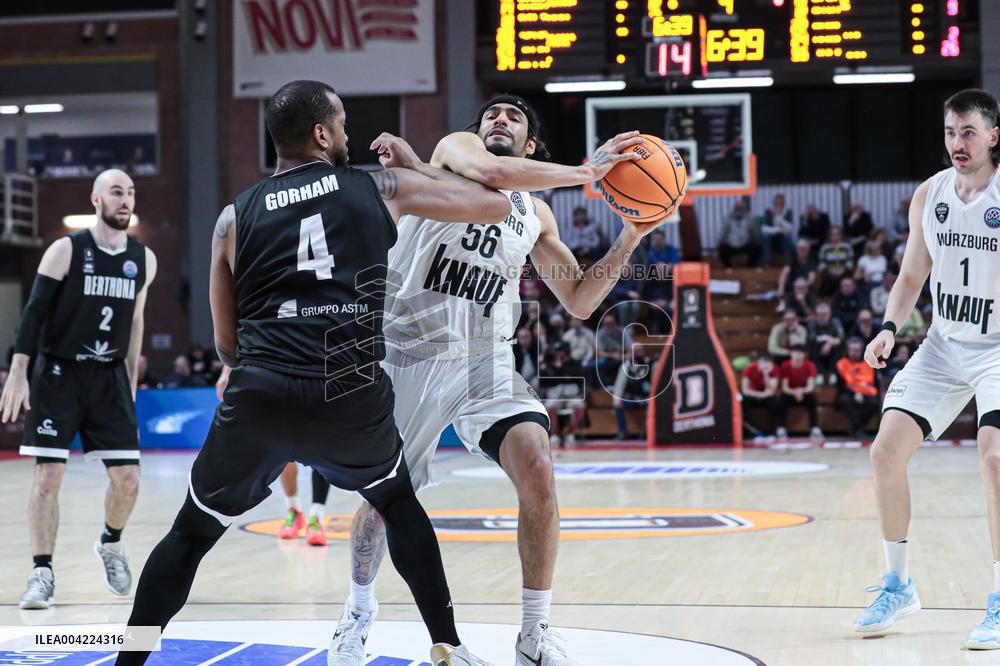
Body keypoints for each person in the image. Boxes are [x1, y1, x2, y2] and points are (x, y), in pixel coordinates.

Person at [114, 80, 516, 666]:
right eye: (344, 123)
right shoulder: (377, 186)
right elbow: (495, 204)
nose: (349, 134)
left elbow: (226, 341)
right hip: (347, 390)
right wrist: (416, 167)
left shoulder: (232, 217)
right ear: (323, 135)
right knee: (398, 504)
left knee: (189, 535)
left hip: (261, 394)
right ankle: (447, 643)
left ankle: (129, 660)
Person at [329, 94, 654, 666]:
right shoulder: (455, 155)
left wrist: (629, 236)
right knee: (383, 501)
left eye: (513, 118)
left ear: (532, 146)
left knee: (538, 467)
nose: (497, 121)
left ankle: (534, 631)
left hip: (485, 359)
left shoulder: (536, 214)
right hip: (408, 350)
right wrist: (588, 171)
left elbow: (579, 300)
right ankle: (358, 610)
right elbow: (493, 173)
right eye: (491, 115)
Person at [852, 89, 1000, 649]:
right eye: (949, 132)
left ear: (993, 136)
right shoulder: (930, 194)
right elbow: (912, 275)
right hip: (943, 342)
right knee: (885, 451)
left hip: (997, 347)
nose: (957, 144)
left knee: (995, 460)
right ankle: (898, 586)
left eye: (968, 132)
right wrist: (889, 327)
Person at [0, 169, 156, 610]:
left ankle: (110, 542)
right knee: (48, 476)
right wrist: (17, 371)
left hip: (109, 378)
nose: (125, 200)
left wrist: (131, 384)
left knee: (128, 479)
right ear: (95, 199)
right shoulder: (65, 250)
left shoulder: (143, 259)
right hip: (59, 375)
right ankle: (41, 573)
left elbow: (136, 323)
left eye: (129, 193)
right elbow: (32, 315)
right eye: (116, 192)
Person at [216, 367, 331, 545]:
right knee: (285, 449)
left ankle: (317, 517)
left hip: (319, 374)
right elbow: (236, 338)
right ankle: (294, 510)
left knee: (322, 448)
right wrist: (226, 370)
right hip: (279, 374)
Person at [835, 337, 880, 439]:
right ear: (847, 350)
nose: (855, 353)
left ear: (862, 350)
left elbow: (874, 383)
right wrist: (854, 393)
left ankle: (856, 428)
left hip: (867, 393)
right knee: (843, 400)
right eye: (852, 350)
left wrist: (862, 393)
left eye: (857, 350)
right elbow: (841, 386)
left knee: (874, 402)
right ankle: (858, 429)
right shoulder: (841, 363)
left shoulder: (869, 363)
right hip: (848, 393)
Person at [776, 345, 823, 440]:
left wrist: (801, 391)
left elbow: (810, 386)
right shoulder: (785, 365)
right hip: (790, 393)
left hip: (804, 393)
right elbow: (785, 387)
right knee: (781, 400)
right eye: (795, 353)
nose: (798, 355)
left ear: (804, 355)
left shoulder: (810, 365)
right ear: (791, 354)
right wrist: (795, 392)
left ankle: (814, 428)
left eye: (800, 353)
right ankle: (781, 428)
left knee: (812, 399)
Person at [611, 343, 654, 439]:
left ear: (644, 351)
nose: (638, 352)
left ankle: (651, 433)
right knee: (618, 405)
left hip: (647, 398)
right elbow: (619, 384)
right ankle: (623, 432)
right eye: (635, 350)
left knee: (656, 406)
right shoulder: (626, 366)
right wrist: (616, 399)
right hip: (631, 398)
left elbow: (657, 382)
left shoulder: (651, 363)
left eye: (640, 350)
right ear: (631, 352)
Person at [740, 353, 781, 437]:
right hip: (752, 395)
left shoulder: (774, 369)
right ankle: (748, 433)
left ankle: (774, 431)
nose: (765, 365)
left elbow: (772, 390)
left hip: (766, 397)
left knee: (775, 401)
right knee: (743, 401)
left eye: (767, 363)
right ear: (758, 362)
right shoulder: (750, 368)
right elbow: (745, 390)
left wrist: (766, 375)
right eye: (763, 363)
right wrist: (760, 395)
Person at [718, 199, 761, 267]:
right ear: (734, 209)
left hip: (745, 244)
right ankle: (728, 268)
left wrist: (754, 241)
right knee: (721, 247)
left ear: (744, 209)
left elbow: (756, 234)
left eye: (740, 208)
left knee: (757, 246)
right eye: (737, 208)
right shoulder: (728, 218)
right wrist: (721, 241)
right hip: (731, 245)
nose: (738, 210)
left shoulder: (750, 219)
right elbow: (723, 233)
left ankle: (749, 267)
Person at [808, 302, 844, 381]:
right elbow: (812, 338)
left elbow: (841, 338)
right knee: (814, 346)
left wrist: (829, 343)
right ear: (816, 315)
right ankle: (819, 373)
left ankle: (833, 372)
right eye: (820, 314)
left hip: (832, 350)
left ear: (830, 314)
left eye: (825, 314)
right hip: (818, 350)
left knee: (837, 348)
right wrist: (828, 340)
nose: (822, 317)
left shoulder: (835, 322)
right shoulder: (813, 323)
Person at [818, 226, 854, 295]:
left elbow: (850, 262)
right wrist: (830, 270)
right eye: (833, 234)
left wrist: (843, 270)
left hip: (844, 272)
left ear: (841, 235)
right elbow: (821, 264)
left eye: (837, 234)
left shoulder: (847, 247)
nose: (835, 236)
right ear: (829, 236)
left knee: (845, 280)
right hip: (829, 274)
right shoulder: (825, 248)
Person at [762, 193, 795, 267]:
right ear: (774, 203)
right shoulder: (768, 211)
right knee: (766, 236)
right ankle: (767, 264)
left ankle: (788, 264)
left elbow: (789, 228)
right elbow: (764, 229)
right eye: (777, 203)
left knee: (787, 236)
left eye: (781, 203)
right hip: (772, 240)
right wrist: (779, 230)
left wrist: (778, 217)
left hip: (783, 241)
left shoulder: (788, 212)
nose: (779, 205)